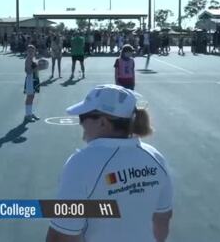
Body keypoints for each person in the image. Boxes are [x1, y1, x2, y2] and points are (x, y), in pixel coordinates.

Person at [46, 84, 173, 242]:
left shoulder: (81, 164)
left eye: (83, 117)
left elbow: (61, 236)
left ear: (103, 122)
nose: (80, 123)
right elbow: (162, 220)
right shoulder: (155, 158)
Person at [24, 45, 41, 122]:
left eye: (32, 51)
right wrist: (36, 68)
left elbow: (35, 69)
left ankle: (31, 113)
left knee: (32, 97)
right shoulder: (28, 60)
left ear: (34, 51)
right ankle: (28, 115)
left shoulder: (33, 59)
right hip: (30, 80)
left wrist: (40, 67)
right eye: (29, 51)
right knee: (29, 97)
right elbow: (28, 72)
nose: (31, 52)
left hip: (35, 79)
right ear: (27, 51)